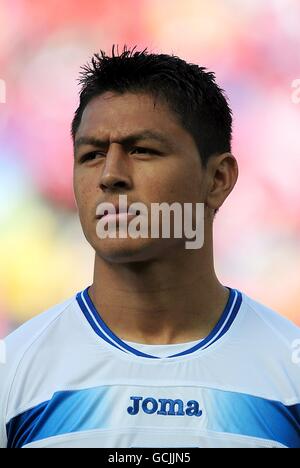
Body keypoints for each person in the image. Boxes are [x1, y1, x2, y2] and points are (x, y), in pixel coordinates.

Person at [0, 45, 299, 448]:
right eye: (91, 155)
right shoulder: (13, 371)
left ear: (218, 179)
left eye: (142, 150)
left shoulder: (289, 370)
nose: (110, 176)